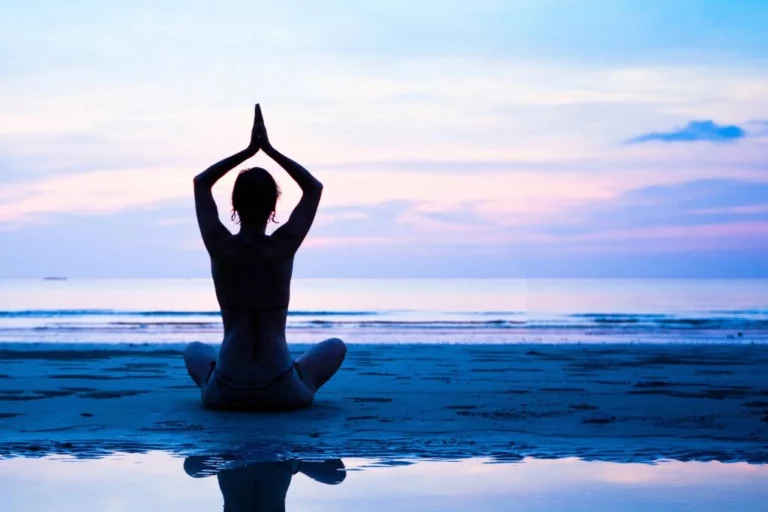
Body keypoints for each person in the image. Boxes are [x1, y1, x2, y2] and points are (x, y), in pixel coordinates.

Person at [183, 104, 346, 410]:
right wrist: (269, 150)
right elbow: (313, 188)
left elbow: (201, 182)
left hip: (225, 394)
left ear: (233, 206)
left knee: (194, 349)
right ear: (274, 208)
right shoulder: (282, 246)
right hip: (281, 391)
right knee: (335, 346)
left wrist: (248, 151)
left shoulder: (220, 245)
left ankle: (211, 378)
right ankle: (295, 372)